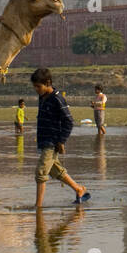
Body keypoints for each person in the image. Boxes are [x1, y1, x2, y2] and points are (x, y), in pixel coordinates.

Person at [30, 68, 88, 207]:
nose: (37, 89)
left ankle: (38, 206)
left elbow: (69, 121)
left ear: (48, 83)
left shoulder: (57, 99)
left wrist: (62, 141)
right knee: (55, 170)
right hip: (44, 140)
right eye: (35, 87)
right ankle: (79, 189)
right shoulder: (42, 97)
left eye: (39, 86)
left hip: (52, 142)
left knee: (41, 172)